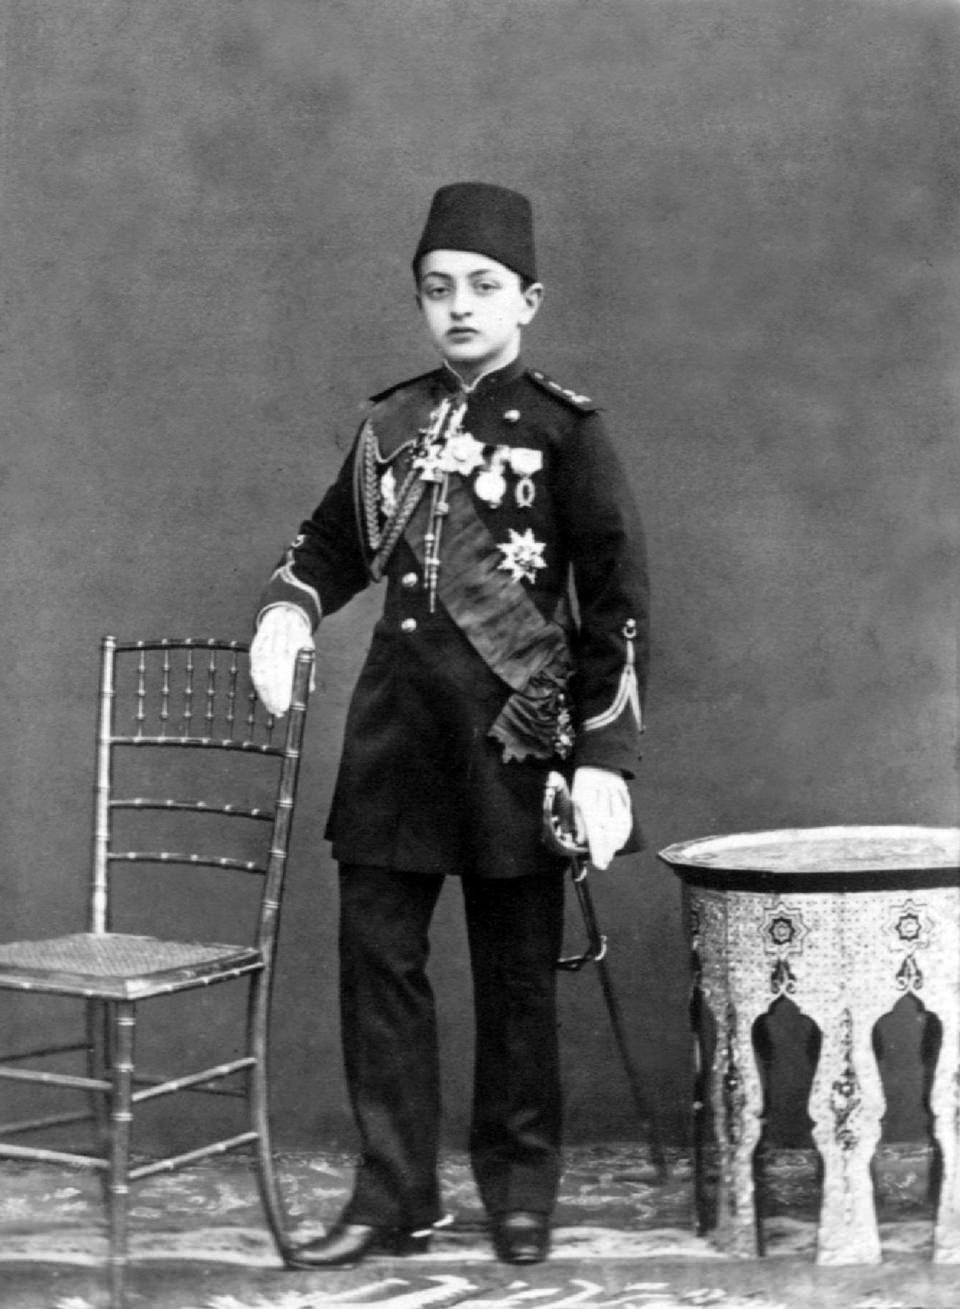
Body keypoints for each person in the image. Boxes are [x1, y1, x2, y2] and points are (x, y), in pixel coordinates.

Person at [250, 181, 650, 1268]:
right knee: (377, 965)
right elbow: (329, 545)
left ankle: (520, 1189)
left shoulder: (567, 432)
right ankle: (394, 1194)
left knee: (515, 976)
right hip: (396, 740)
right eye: (438, 289)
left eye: (482, 286)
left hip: (515, 743)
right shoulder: (389, 425)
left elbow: (616, 605)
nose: (460, 306)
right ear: (421, 302)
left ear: (528, 300)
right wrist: (288, 608)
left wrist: (604, 756)